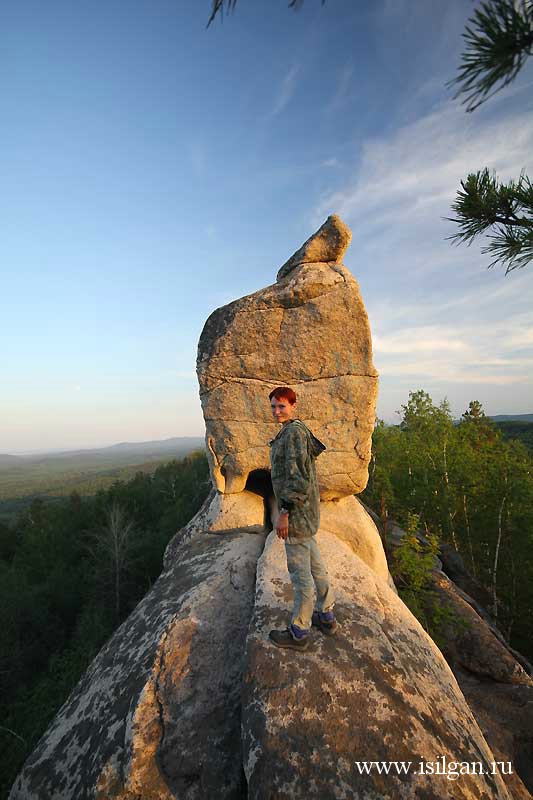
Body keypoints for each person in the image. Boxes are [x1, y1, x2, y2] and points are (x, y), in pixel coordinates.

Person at [268, 386, 336, 651]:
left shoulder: (293, 433)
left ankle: (300, 630)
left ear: (293, 406)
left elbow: (296, 478)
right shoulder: (297, 429)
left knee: (300, 575)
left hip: (296, 514)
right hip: (307, 513)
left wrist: (284, 513)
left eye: (282, 406)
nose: (276, 411)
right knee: (316, 565)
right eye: (273, 406)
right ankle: (326, 615)